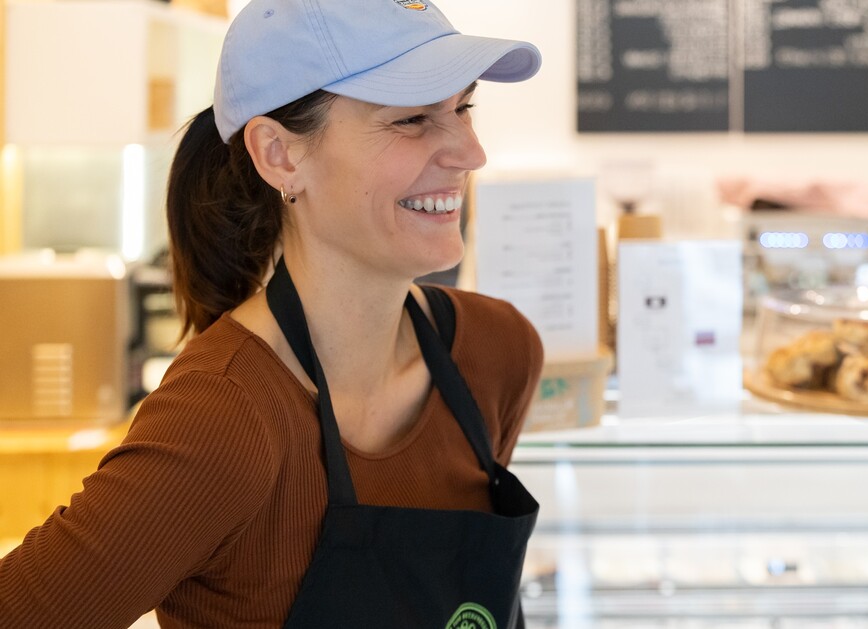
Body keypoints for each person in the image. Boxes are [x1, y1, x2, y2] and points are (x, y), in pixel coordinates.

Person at [0, 0, 544, 626]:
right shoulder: (223, 419)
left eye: (463, 108)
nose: (470, 153)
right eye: (413, 119)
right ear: (280, 155)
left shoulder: (496, 352)